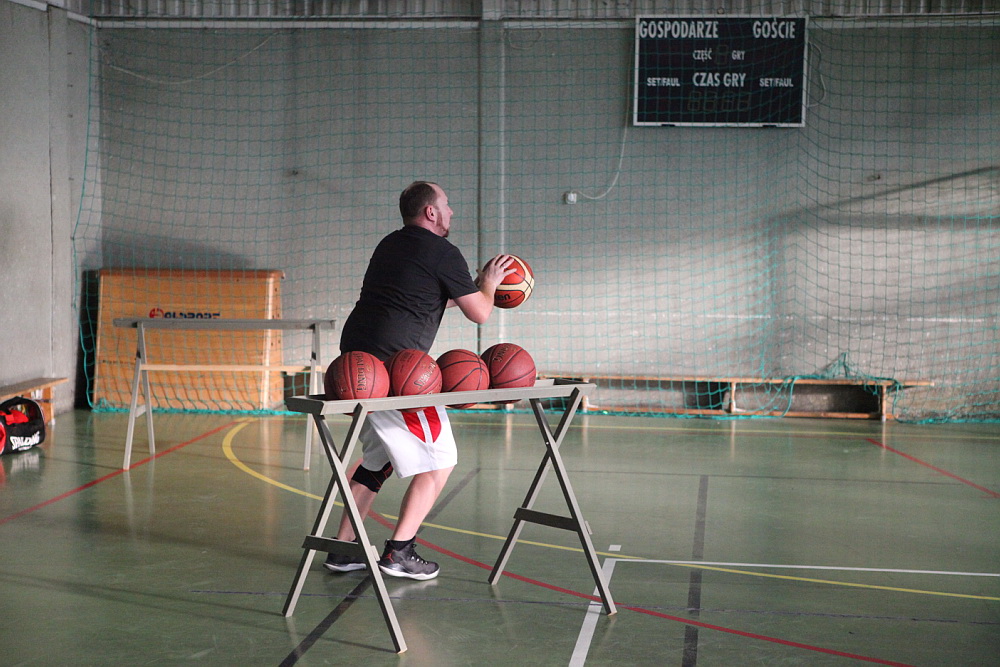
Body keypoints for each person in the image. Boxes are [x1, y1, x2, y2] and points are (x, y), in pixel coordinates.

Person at [324, 180, 514, 580]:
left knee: (375, 463)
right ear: (431, 212)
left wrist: (472, 286)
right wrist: (490, 283)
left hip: (356, 365)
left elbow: (427, 295)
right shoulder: (444, 252)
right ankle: (399, 552)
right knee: (440, 462)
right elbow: (480, 312)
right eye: (446, 204)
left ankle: (343, 549)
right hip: (397, 374)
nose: (451, 211)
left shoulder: (389, 245)